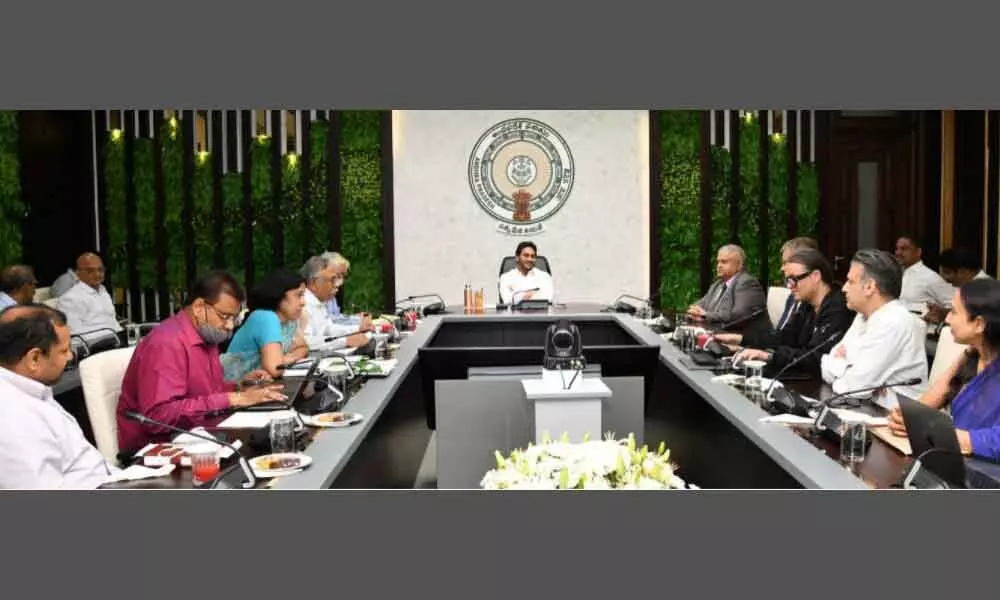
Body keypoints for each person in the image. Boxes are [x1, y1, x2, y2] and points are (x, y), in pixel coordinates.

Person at [116, 271, 285, 454]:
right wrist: (234, 399)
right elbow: (159, 417)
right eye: (224, 316)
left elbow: (204, 393)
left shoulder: (206, 334)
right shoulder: (167, 343)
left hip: (200, 436)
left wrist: (239, 387)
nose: (229, 326)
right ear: (198, 307)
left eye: (233, 318)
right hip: (157, 450)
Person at [0, 304, 118, 488]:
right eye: (64, 351)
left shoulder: (31, 391)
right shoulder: (12, 416)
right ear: (34, 359)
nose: (70, 356)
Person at [887, 279, 1000, 461]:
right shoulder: (971, 354)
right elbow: (927, 403)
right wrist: (905, 419)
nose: (946, 319)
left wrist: (937, 432)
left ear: (979, 324)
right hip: (956, 459)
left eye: (954, 312)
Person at [821, 249, 928, 406]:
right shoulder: (863, 315)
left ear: (870, 287)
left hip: (894, 420)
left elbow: (854, 388)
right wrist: (846, 368)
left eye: (850, 282)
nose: (844, 288)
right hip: (864, 408)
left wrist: (842, 365)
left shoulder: (894, 321)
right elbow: (825, 365)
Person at [727, 249, 853, 378]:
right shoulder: (806, 304)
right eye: (787, 280)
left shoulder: (838, 308)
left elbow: (816, 358)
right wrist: (741, 340)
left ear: (815, 276)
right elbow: (784, 338)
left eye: (793, 279)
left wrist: (768, 356)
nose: (789, 286)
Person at [220, 269, 310, 382]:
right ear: (279, 296)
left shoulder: (289, 320)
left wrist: (288, 358)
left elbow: (304, 347)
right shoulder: (266, 318)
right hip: (233, 386)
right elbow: (276, 368)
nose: (303, 302)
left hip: (259, 384)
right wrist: (285, 359)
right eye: (298, 295)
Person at [686, 244, 766, 332]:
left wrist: (705, 315)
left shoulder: (747, 283)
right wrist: (693, 312)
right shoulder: (718, 284)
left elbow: (739, 316)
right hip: (713, 334)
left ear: (739, 265)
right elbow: (699, 305)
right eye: (718, 262)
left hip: (738, 338)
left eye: (724, 262)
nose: (719, 265)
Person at [300, 254, 371, 351]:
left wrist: (358, 329)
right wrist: (345, 341)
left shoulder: (319, 301)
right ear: (314, 283)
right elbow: (306, 342)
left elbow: (328, 329)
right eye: (332, 280)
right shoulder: (302, 304)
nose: (336, 284)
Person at [56, 252, 122, 340]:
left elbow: (112, 321)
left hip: (117, 339)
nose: (97, 274)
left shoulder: (103, 291)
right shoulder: (69, 299)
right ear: (78, 273)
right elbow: (75, 334)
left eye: (100, 270)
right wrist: (111, 335)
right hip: (95, 346)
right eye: (90, 271)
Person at [925, 247, 991, 325]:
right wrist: (943, 313)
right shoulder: (971, 286)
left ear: (962, 271)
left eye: (947, 272)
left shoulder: (984, 291)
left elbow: (976, 323)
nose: (945, 278)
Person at [894, 234, 955, 310]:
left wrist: (939, 317)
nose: (898, 252)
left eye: (904, 249)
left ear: (918, 252)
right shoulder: (894, 274)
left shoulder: (929, 277)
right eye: (897, 248)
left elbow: (953, 303)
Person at [772, 237, 819, 331]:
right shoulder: (793, 296)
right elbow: (780, 333)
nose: (782, 268)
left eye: (786, 263)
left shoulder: (813, 302)